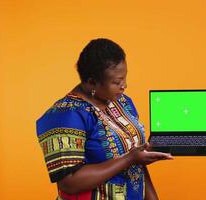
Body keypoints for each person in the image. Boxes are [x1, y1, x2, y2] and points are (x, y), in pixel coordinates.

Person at [36, 38, 173, 200]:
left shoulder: (122, 102)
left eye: (125, 78)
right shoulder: (65, 115)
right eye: (117, 82)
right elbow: (69, 183)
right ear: (92, 82)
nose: (124, 85)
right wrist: (129, 158)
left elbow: (138, 164)